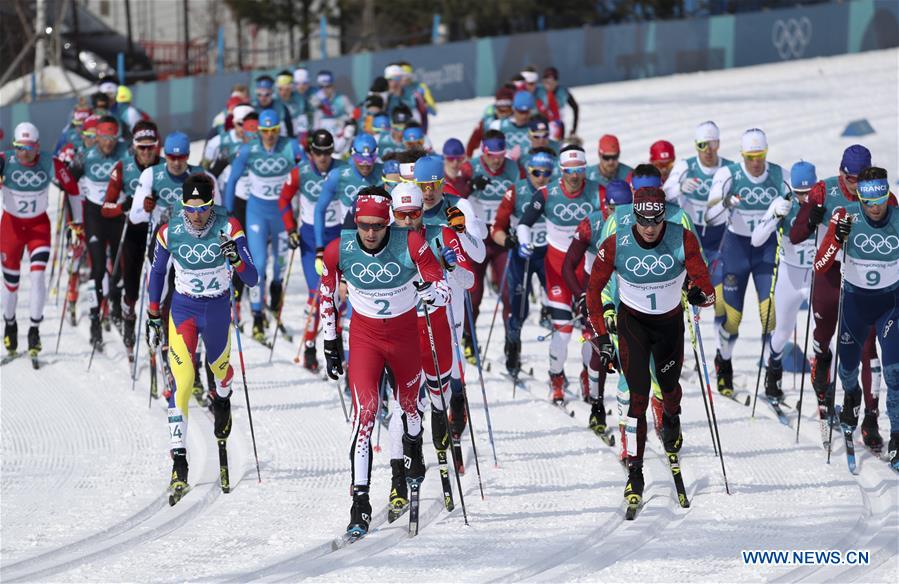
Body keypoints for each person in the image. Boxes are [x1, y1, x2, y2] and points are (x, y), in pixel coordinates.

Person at [318, 188, 446, 536]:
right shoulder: (338, 249)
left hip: (405, 337)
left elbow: (442, 289)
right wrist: (330, 342)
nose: (371, 233)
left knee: (409, 407)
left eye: (377, 225)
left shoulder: (411, 243)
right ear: (355, 222)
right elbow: (326, 296)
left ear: (388, 222)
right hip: (365, 339)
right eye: (364, 225)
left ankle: (415, 451)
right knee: (366, 415)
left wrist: (429, 292)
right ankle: (359, 503)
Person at [586, 186, 715, 506]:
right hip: (634, 327)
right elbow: (593, 291)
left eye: (656, 219)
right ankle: (635, 473)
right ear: (633, 217)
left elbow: (707, 287)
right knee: (637, 398)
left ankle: (672, 419)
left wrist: (701, 295)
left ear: (664, 217)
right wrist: (602, 336)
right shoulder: (617, 244)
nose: (649, 226)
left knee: (669, 392)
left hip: (669, 327)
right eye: (642, 220)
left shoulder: (681, 238)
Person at [145, 173, 257, 503]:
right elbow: (156, 274)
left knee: (220, 371)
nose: (196, 216)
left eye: (204, 208)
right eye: (190, 208)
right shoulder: (170, 231)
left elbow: (251, 277)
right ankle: (179, 461)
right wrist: (153, 312)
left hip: (218, 309)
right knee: (182, 382)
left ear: (212, 204)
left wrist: (235, 257)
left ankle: (222, 398)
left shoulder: (229, 225)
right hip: (184, 312)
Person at [790, 145, 888, 448]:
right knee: (824, 333)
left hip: (863, 278)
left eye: (860, 179)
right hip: (829, 275)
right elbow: (795, 236)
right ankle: (821, 375)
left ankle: (870, 418)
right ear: (840, 173)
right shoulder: (824, 190)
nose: (855, 185)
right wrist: (810, 217)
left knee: (867, 346)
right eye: (849, 178)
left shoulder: (882, 197)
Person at [391, 181, 474, 508]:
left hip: (437, 325)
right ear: (392, 214)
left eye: (414, 213)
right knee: (402, 406)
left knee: (439, 398)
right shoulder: (385, 242)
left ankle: (444, 445)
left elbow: (469, 281)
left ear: (421, 211)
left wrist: (453, 264)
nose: (409, 220)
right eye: (402, 214)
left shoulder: (442, 234)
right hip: (400, 329)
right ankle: (399, 478)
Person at [813, 167, 898, 471]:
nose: (876, 208)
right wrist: (836, 238)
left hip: (889, 303)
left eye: (881, 200)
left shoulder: (896, 214)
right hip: (854, 301)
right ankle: (851, 395)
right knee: (849, 366)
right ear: (858, 196)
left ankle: (885, 428)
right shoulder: (844, 216)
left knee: (886, 365)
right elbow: (820, 266)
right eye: (868, 201)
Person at [516, 144, 601, 402]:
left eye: (579, 170)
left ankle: (588, 375)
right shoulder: (547, 193)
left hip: (587, 267)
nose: (574, 177)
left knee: (591, 329)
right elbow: (524, 223)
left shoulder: (597, 191)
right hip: (557, 268)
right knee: (562, 332)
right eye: (568, 171)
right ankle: (556, 376)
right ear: (561, 171)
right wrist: (523, 242)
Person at [709, 128, 789, 396]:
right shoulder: (728, 174)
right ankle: (725, 362)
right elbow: (710, 215)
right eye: (750, 157)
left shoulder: (778, 175)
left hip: (767, 250)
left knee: (769, 314)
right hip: (736, 249)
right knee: (733, 319)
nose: (756, 163)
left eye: (761, 156)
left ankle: (771, 373)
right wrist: (726, 203)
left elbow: (803, 201)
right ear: (742, 155)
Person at [1, 122, 80, 360]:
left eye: (28, 148)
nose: (23, 153)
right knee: (11, 284)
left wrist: (77, 223)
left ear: (37, 147)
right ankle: (10, 323)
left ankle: (34, 329)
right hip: (11, 228)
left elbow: (73, 189)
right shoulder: (5, 160)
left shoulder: (49, 161)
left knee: (37, 276)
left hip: (38, 227)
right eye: (19, 148)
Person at [225, 108, 305, 343]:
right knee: (258, 264)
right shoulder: (250, 150)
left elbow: (308, 171)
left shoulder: (290, 146)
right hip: (257, 213)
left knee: (279, 266)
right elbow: (232, 180)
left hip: (282, 214)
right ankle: (257, 315)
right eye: (265, 131)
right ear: (259, 131)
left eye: (273, 130)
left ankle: (276, 290)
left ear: (278, 129)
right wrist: (229, 214)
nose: (269, 135)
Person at [564, 180, 632, 425]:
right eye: (615, 210)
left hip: (626, 293)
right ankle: (597, 405)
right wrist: (580, 295)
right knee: (599, 351)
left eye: (627, 208)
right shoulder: (591, 223)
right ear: (606, 207)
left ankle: (631, 411)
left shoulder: (639, 223)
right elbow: (568, 266)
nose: (621, 216)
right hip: (596, 291)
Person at [281, 129, 347, 371]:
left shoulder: (343, 170)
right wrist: (290, 229)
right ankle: (309, 345)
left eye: (327, 151)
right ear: (310, 151)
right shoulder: (301, 172)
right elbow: (283, 199)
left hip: (339, 236)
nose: (323, 157)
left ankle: (337, 342)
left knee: (340, 295)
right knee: (317, 294)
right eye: (318, 152)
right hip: (311, 239)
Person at [101, 120, 162, 357]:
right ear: (134, 146)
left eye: (150, 147)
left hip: (161, 232)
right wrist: (125, 205)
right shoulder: (123, 167)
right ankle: (128, 314)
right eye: (141, 147)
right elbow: (105, 208)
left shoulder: (167, 166)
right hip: (133, 230)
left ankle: (161, 323)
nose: (146, 152)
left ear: (157, 146)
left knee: (162, 282)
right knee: (132, 284)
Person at [491, 148, 554, 375]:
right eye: (536, 172)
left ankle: (557, 367)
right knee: (520, 308)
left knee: (559, 306)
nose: (541, 177)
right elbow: (497, 226)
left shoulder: (554, 191)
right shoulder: (516, 191)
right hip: (522, 255)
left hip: (548, 255)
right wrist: (507, 240)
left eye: (547, 172)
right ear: (528, 171)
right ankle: (513, 345)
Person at [69, 115, 130, 349]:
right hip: (95, 215)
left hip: (117, 214)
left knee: (118, 265)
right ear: (97, 137)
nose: (108, 143)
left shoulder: (126, 150)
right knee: (96, 268)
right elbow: (67, 182)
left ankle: (115, 306)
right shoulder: (86, 155)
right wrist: (74, 215)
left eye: (112, 138)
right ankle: (95, 316)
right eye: (104, 138)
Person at [465, 129, 522, 361]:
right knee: (474, 294)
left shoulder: (512, 168)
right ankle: (469, 338)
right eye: (492, 155)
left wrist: (519, 227)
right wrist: (470, 186)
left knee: (509, 295)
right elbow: (454, 194)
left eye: (501, 154)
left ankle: (512, 343)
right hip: (475, 239)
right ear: (484, 151)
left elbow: (522, 197)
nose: (497, 160)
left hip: (499, 238)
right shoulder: (471, 167)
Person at [663, 121, 733, 269]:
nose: (708, 151)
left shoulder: (729, 168)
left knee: (716, 279)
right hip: (691, 230)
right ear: (696, 146)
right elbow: (664, 194)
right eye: (702, 145)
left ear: (718, 144)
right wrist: (680, 187)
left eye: (712, 144)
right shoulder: (686, 166)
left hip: (718, 232)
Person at [466, 86, 514, 158]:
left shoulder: (518, 122)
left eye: (507, 108)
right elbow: (473, 141)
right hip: (490, 161)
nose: (503, 113)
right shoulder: (486, 122)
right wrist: (468, 157)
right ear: (496, 107)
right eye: (500, 109)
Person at [535, 66, 579, 140]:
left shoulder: (563, 92)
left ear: (556, 81)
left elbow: (575, 107)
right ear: (543, 81)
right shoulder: (538, 91)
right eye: (547, 81)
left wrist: (574, 128)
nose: (549, 84)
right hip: (540, 126)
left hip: (558, 126)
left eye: (552, 80)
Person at [489, 91, 533, 158]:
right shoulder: (498, 126)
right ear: (514, 109)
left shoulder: (536, 127)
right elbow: (488, 152)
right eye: (520, 112)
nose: (523, 116)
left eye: (526, 112)